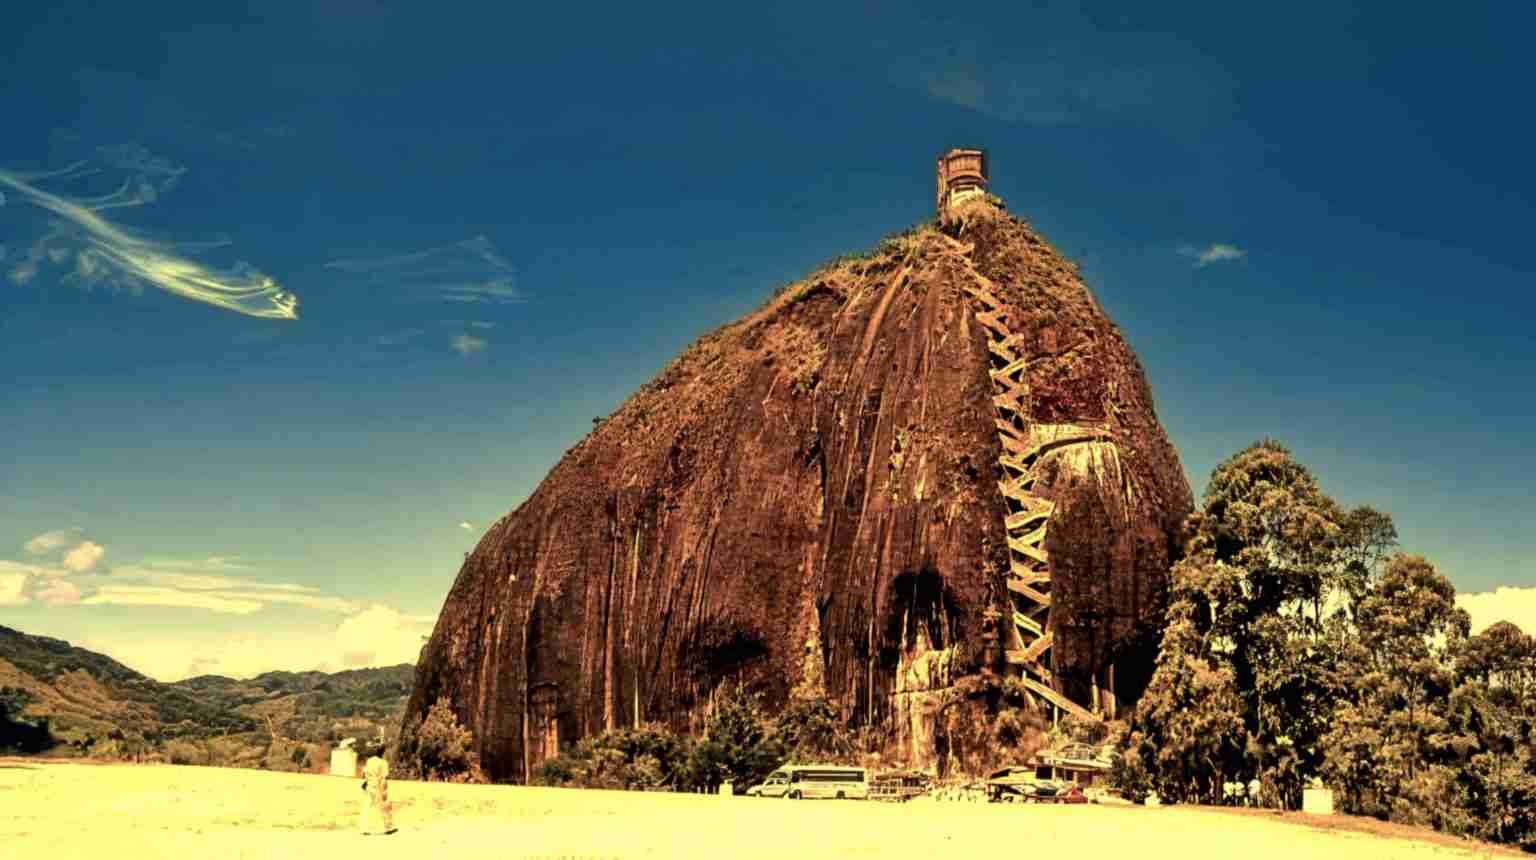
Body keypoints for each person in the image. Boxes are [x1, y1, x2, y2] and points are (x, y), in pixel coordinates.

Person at [359, 745, 396, 835]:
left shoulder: (370, 761)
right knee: (383, 807)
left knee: (366, 807)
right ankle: (388, 827)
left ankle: (364, 828)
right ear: (383, 752)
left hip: (369, 786)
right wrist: (384, 791)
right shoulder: (383, 763)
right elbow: (384, 778)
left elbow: (363, 774)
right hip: (377, 787)